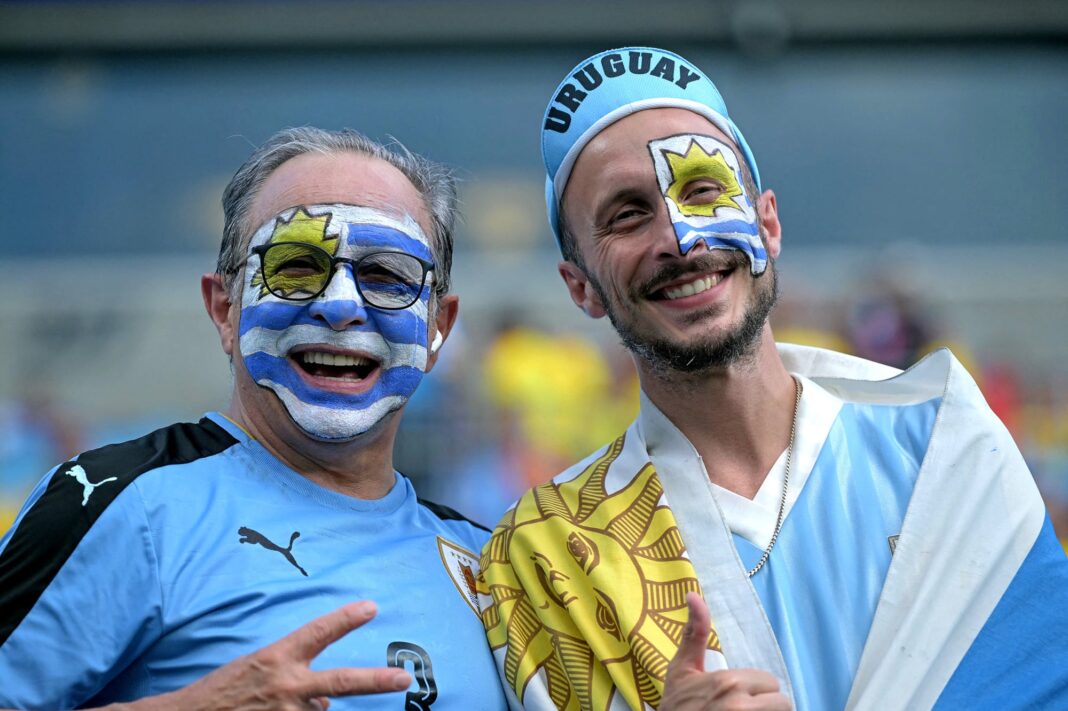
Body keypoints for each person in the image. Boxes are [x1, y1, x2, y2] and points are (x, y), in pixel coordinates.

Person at [477, 47, 1068, 711]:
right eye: (627, 214)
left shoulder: (944, 451)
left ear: (769, 223)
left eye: (701, 188)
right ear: (581, 286)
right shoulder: (549, 551)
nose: (681, 239)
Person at [0, 126, 508, 710]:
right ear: (224, 309)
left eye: (386, 276)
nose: (342, 306)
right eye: (295, 266)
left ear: (438, 327)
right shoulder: (120, 502)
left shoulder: (490, 560)